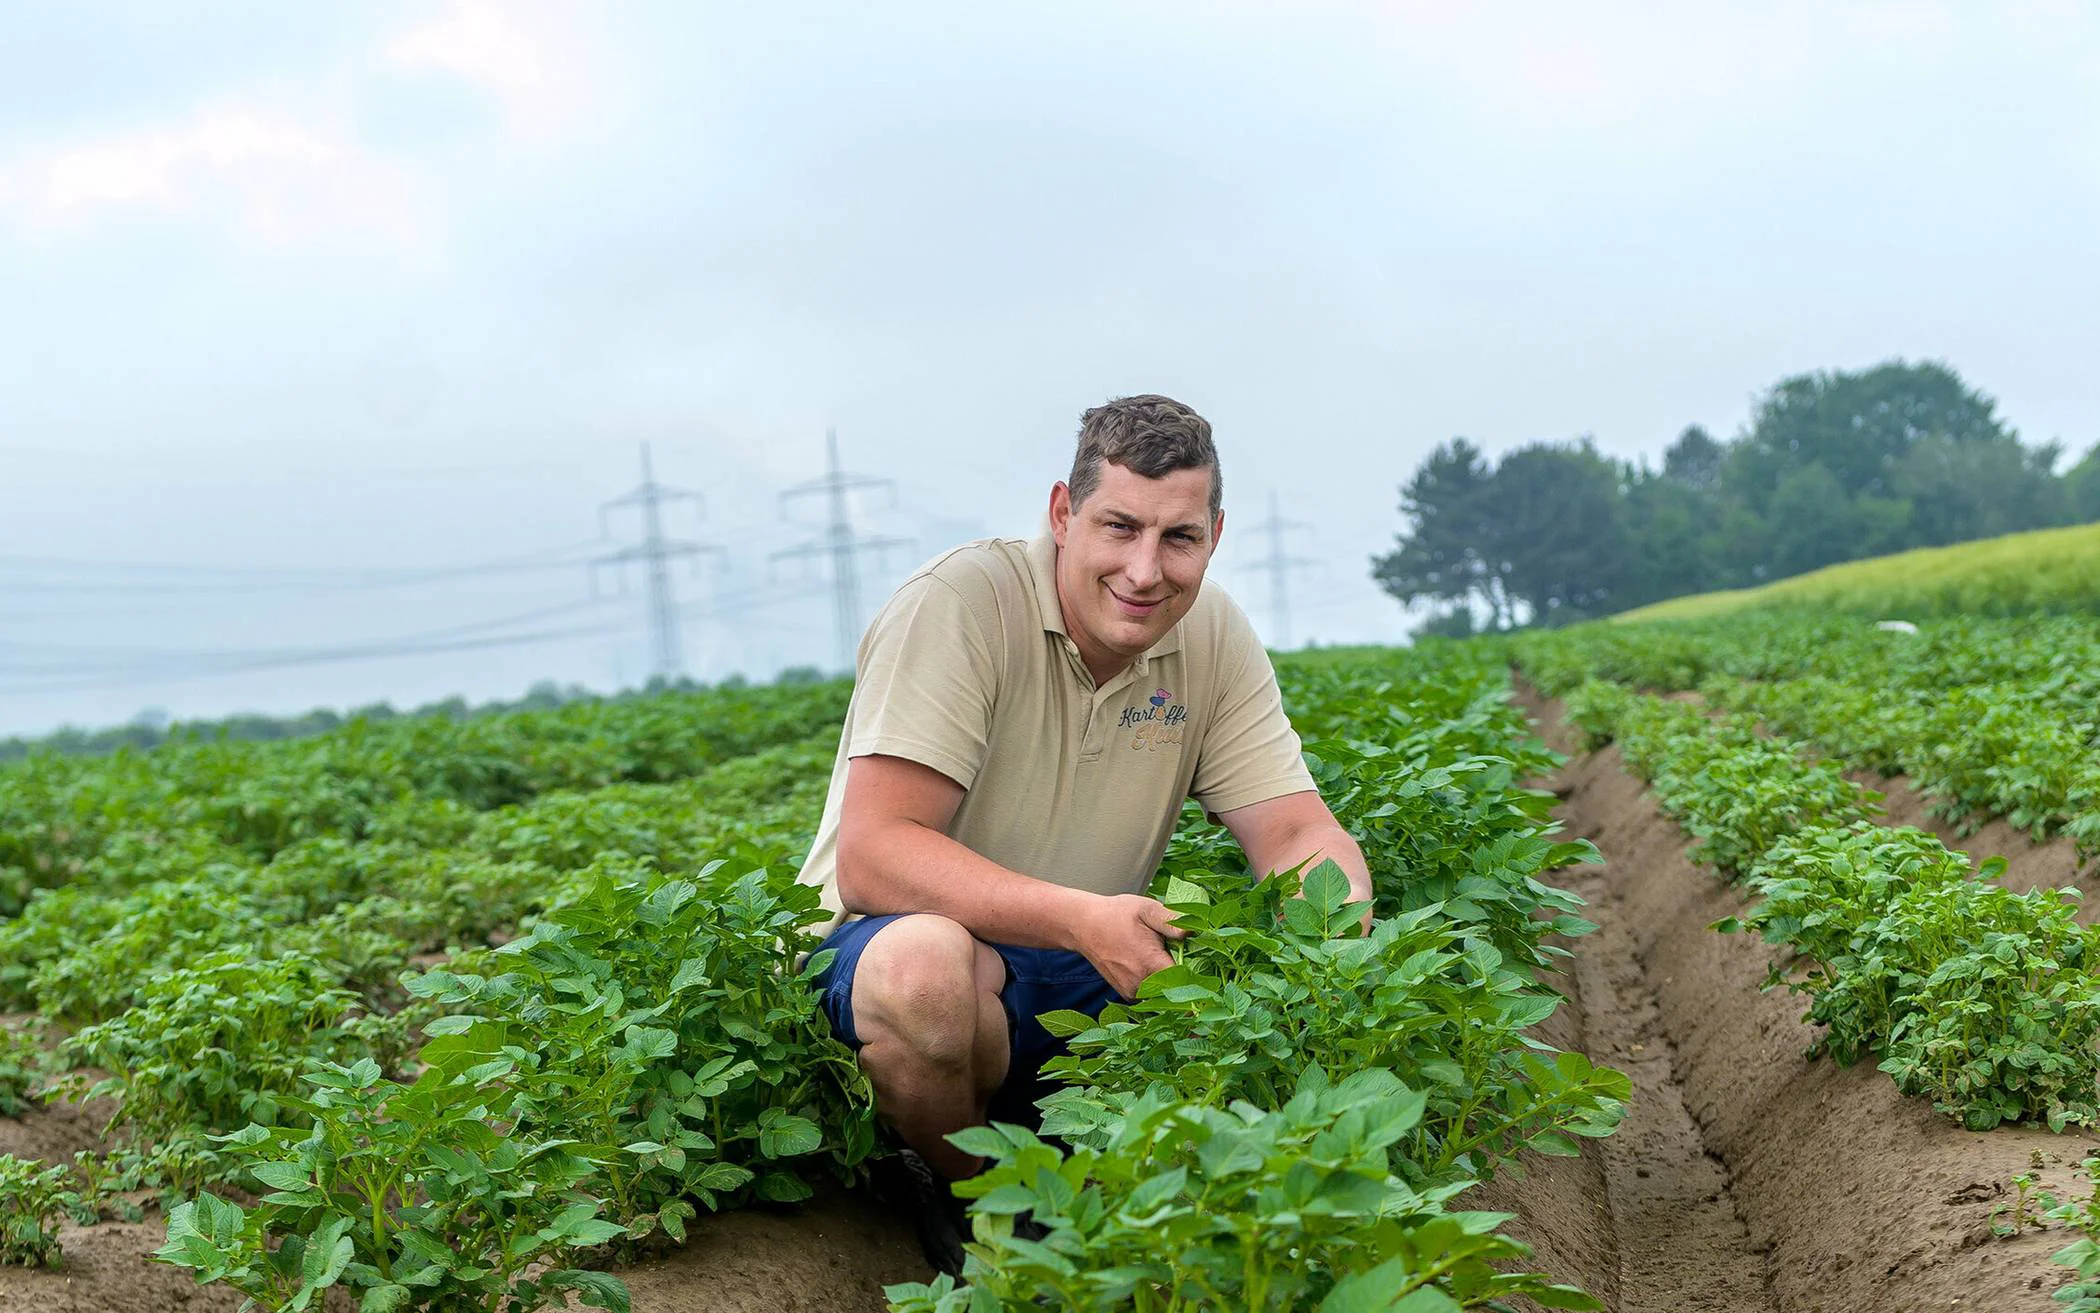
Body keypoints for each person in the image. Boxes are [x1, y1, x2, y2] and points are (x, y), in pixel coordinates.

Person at [796, 393, 1372, 1272]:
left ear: (1214, 536)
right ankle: (974, 1205)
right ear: (1063, 514)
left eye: (1178, 537)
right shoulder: (963, 603)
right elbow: (875, 854)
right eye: (1119, 527)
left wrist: (1327, 948)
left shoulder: (1211, 635)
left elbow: (1298, 832)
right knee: (931, 973)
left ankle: (1096, 1188)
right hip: (894, 951)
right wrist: (1076, 918)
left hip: (1077, 966)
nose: (1145, 570)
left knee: (1210, 998)